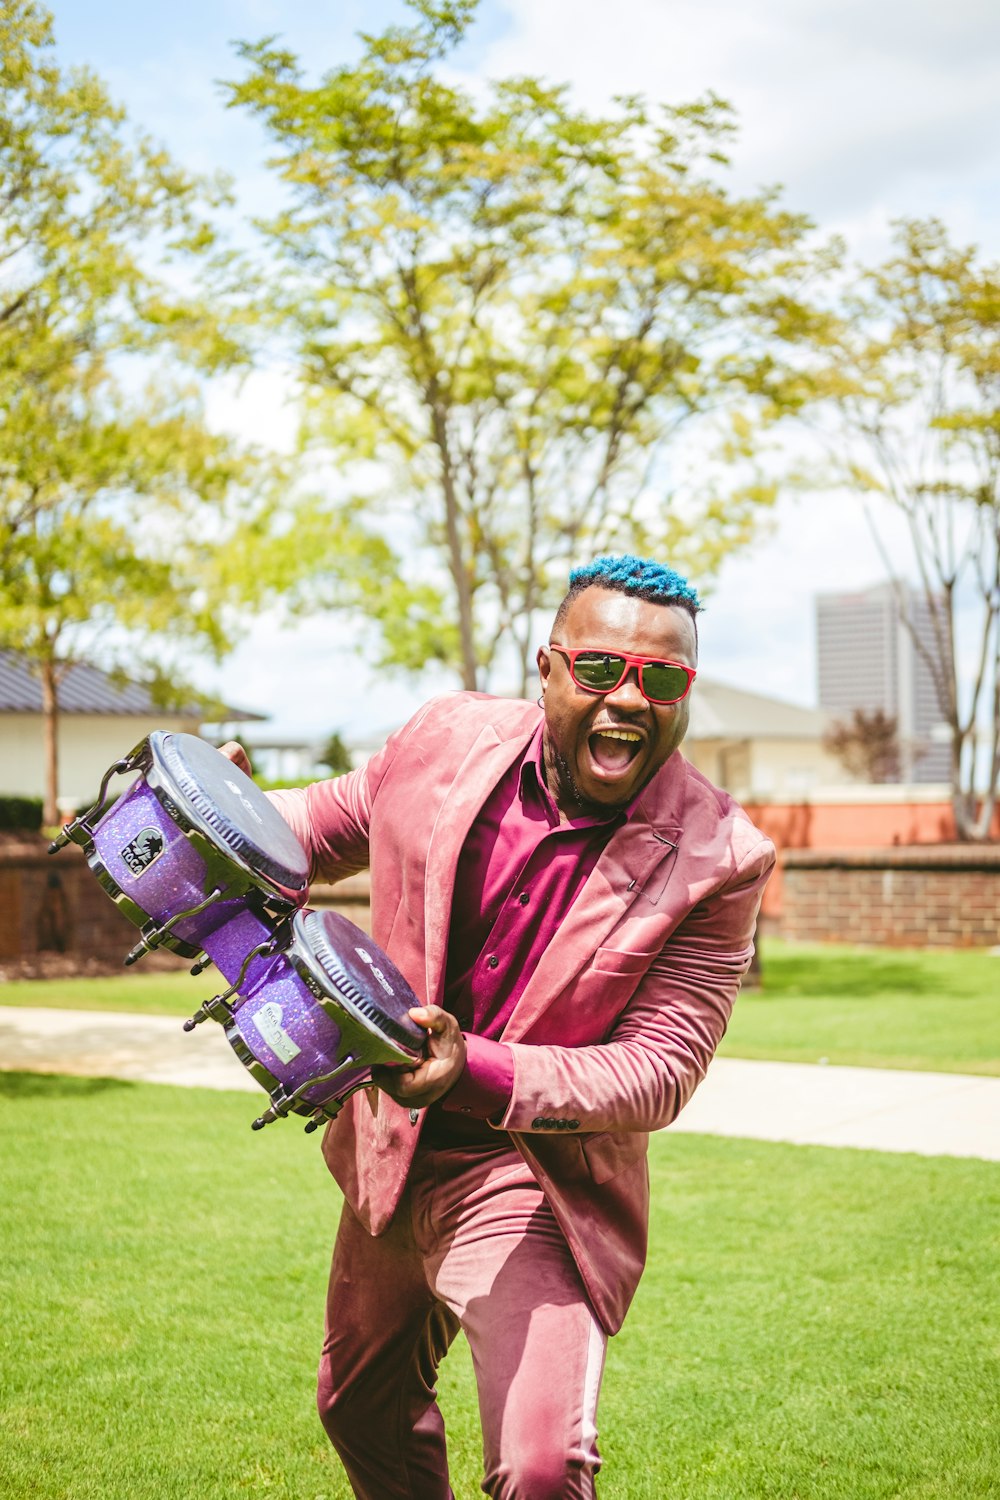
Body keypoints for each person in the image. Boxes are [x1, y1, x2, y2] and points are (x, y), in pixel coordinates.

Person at [223, 553, 774, 1499]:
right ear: (548, 667)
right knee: (359, 1405)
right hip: (391, 1149)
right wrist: (222, 807)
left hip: (530, 1177)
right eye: (600, 668)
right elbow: (315, 824)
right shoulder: (443, 740)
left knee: (543, 1466)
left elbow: (659, 1069)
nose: (629, 698)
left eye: (663, 679)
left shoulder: (722, 856)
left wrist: (472, 1069)